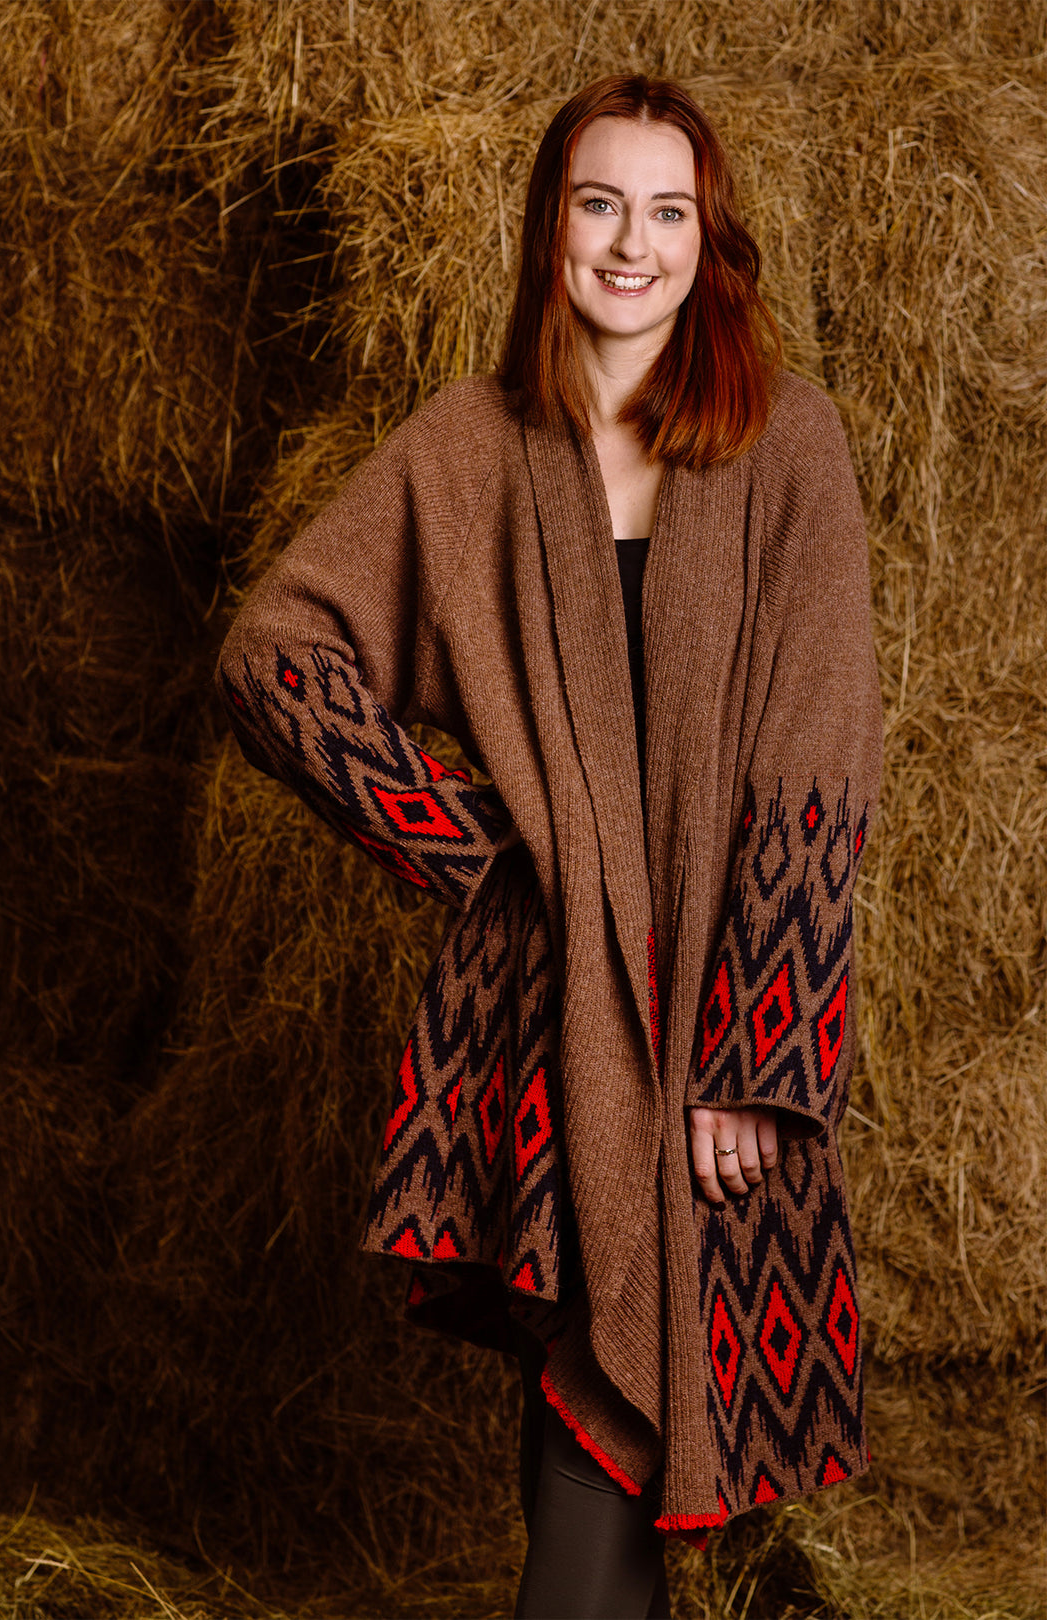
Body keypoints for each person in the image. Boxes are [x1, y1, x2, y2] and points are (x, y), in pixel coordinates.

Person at [217, 74, 883, 1620]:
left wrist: (759, 1052)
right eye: (600, 205)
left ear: (707, 243)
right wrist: (480, 857)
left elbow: (815, 758)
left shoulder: (790, 447)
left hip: (715, 1015)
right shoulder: (468, 446)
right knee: (593, 1389)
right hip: (548, 1015)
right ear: (550, 228)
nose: (631, 245)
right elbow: (274, 655)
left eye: (668, 212)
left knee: (620, 1403)